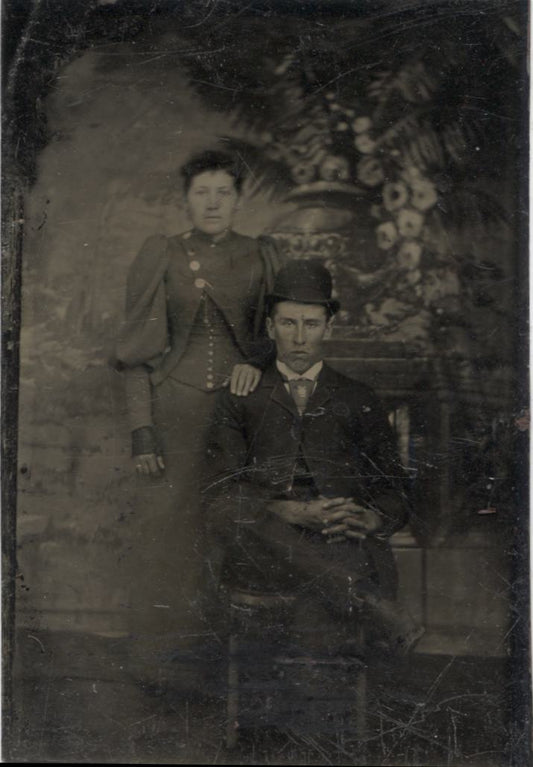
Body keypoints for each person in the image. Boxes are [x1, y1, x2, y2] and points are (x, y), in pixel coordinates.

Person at [115, 149, 284, 692]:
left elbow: (278, 340)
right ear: (184, 199)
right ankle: (158, 667)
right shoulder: (162, 253)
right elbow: (136, 356)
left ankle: (228, 673)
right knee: (165, 536)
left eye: (223, 192)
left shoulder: (262, 256)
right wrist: (143, 428)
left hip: (239, 418)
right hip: (175, 415)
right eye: (201, 192)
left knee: (240, 532)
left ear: (239, 198)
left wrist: (255, 368)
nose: (212, 203)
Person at [203, 259, 423, 655]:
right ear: (270, 328)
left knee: (316, 630)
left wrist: (369, 516)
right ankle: (371, 604)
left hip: (336, 537)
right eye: (288, 324)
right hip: (265, 542)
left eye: (311, 324)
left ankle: (310, 687)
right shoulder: (241, 396)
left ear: (329, 327)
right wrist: (288, 511)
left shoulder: (358, 398)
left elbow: (395, 490)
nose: (300, 338)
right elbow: (218, 487)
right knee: (232, 515)